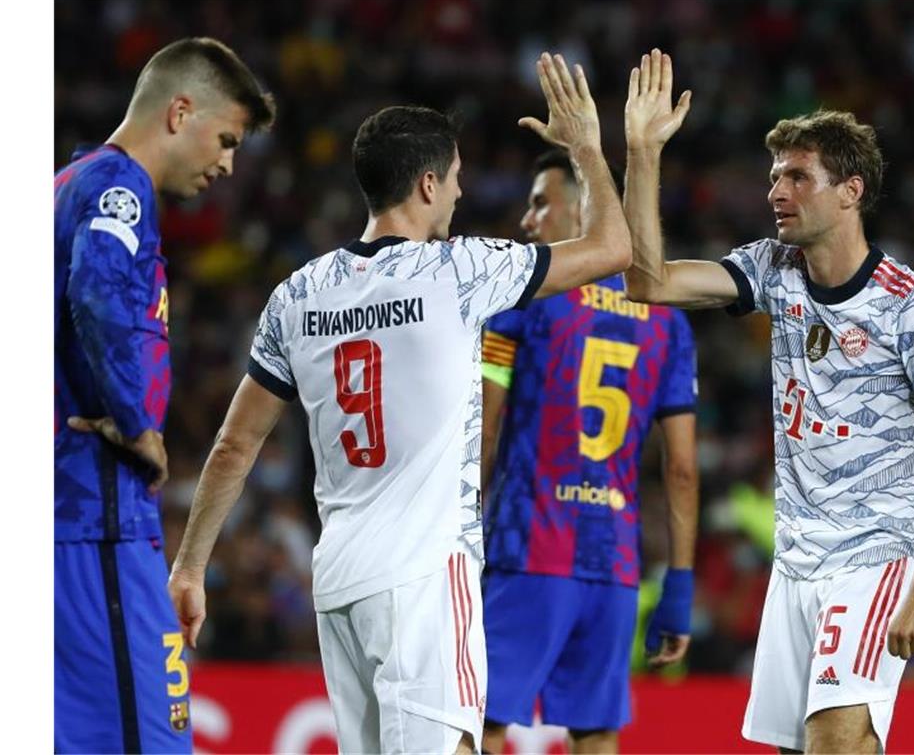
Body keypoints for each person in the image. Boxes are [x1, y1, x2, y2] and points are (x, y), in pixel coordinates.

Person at [166, 53, 630, 755]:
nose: (460, 198)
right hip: (423, 575)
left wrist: (190, 566)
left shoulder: (297, 294)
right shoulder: (459, 271)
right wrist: (589, 149)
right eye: (455, 183)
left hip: (341, 582)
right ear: (427, 182)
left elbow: (234, 445)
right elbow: (614, 248)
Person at [621, 49, 914, 754]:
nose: (776, 191)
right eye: (773, 176)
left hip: (876, 556)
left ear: (850, 191)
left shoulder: (911, 307)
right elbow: (649, 283)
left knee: (836, 740)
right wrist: (642, 152)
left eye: (797, 176)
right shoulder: (772, 268)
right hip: (795, 565)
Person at [54, 37, 275, 753]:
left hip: (72, 517)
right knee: (153, 737)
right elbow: (96, 290)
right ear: (180, 112)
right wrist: (136, 421)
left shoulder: (65, 184)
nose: (228, 163)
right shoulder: (119, 190)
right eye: (226, 139)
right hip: (96, 521)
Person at [478, 149, 700, 754]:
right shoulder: (668, 321)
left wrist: (464, 528)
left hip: (529, 547)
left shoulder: (519, 299)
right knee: (597, 732)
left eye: (540, 202)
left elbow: (486, 429)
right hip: (614, 562)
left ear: (583, 211)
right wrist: (679, 581)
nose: (528, 219)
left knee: (484, 723)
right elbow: (680, 468)